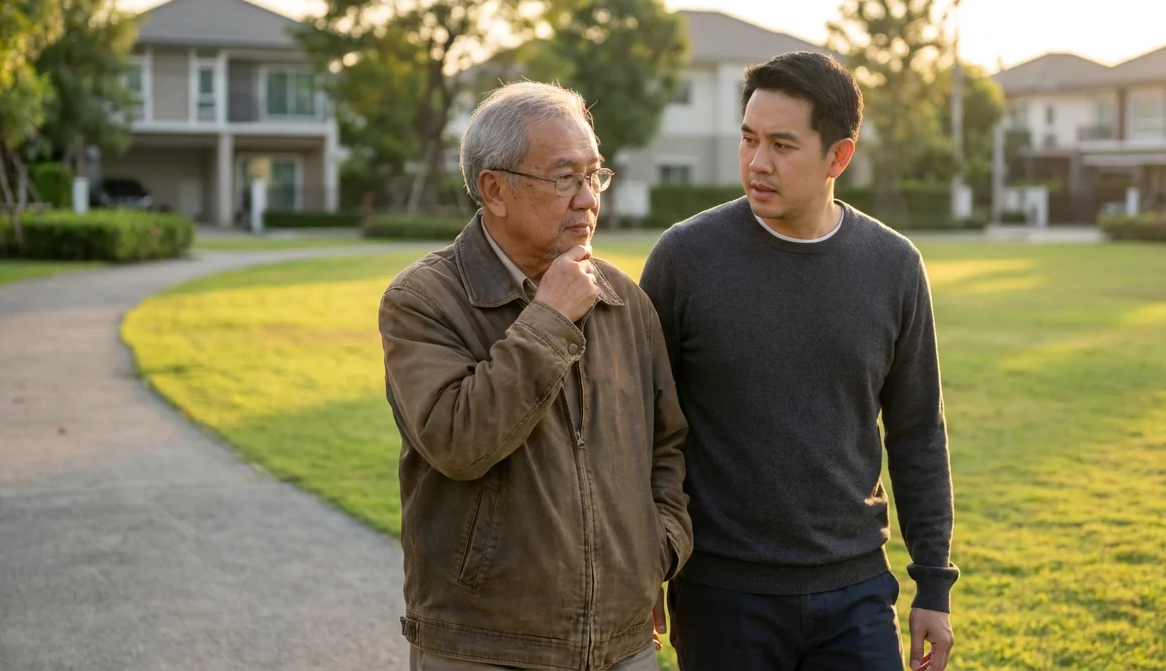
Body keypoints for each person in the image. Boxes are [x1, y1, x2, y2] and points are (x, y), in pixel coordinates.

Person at [640, 51, 960, 671]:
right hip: (722, 594)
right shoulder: (685, 258)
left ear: (838, 156)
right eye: (749, 138)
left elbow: (918, 432)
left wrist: (933, 584)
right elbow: (643, 428)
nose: (757, 162)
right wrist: (647, 563)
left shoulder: (894, 267)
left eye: (782, 145)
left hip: (857, 591)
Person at [379, 81, 693, 671]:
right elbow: (458, 444)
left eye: (594, 175)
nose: (588, 199)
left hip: (623, 642)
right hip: (485, 644)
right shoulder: (423, 300)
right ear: (495, 189)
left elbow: (666, 447)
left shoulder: (625, 300)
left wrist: (653, 556)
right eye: (564, 178)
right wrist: (549, 318)